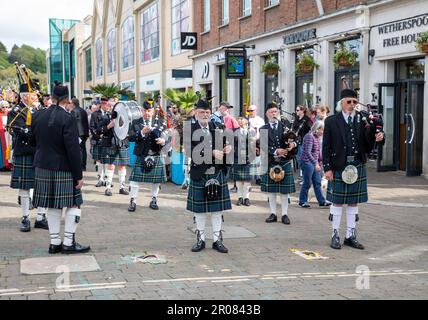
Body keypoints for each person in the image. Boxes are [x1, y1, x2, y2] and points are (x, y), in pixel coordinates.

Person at [323, 89, 385, 250]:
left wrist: (379, 136)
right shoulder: (331, 121)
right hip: (338, 165)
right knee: (337, 202)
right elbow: (326, 147)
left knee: (353, 202)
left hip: (357, 165)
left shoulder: (362, 120)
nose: (352, 105)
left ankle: (350, 235)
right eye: (348, 102)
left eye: (354, 102)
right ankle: (335, 234)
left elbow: (369, 141)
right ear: (341, 103)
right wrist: (327, 168)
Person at [186, 99, 232, 253]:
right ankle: (200, 239)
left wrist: (228, 147)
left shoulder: (217, 126)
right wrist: (211, 152)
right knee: (199, 211)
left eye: (207, 112)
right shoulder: (189, 129)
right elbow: (189, 151)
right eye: (201, 112)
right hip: (200, 173)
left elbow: (226, 142)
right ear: (195, 112)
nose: (205, 115)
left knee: (217, 210)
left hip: (217, 172)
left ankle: (217, 240)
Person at [7, 84, 49, 232]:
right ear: (25, 95)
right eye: (33, 94)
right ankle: (25, 218)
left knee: (42, 185)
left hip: (40, 152)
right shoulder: (16, 112)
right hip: (25, 152)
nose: (36, 97)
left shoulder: (39, 110)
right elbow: (18, 132)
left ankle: (40, 217)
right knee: (25, 188)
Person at [260, 103, 297, 225]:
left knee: (284, 191)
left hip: (285, 161)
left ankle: (285, 214)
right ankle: (273, 213)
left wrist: (293, 144)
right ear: (267, 114)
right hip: (271, 161)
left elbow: (297, 139)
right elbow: (263, 146)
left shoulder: (285, 126)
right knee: (271, 191)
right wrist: (276, 151)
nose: (273, 114)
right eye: (271, 112)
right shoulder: (263, 129)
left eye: (275, 111)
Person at [128, 100, 168, 212]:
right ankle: (133, 200)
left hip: (156, 153)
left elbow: (167, 136)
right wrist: (141, 133)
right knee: (135, 179)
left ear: (153, 111)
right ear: (141, 110)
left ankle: (154, 199)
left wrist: (163, 140)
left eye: (149, 110)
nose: (147, 113)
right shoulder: (136, 122)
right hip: (141, 154)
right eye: (145, 110)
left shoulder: (160, 122)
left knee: (156, 180)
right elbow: (130, 137)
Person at [99, 97, 130, 196]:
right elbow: (99, 130)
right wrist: (108, 126)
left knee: (122, 166)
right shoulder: (105, 117)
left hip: (122, 143)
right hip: (110, 144)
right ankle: (108, 188)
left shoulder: (124, 116)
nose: (112, 107)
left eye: (114, 105)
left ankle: (122, 187)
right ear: (108, 107)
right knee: (111, 166)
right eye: (110, 105)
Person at [298, 121, 331, 208]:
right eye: (322, 130)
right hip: (306, 162)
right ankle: (302, 201)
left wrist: (320, 161)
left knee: (317, 182)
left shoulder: (317, 137)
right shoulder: (309, 136)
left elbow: (317, 152)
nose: (322, 132)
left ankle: (322, 201)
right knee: (307, 183)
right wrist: (315, 163)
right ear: (317, 129)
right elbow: (308, 153)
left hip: (314, 162)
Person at [230, 117, 257, 206]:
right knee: (238, 179)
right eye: (239, 120)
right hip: (237, 157)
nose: (240, 121)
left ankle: (246, 198)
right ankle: (240, 197)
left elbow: (255, 144)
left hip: (248, 157)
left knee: (247, 180)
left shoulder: (252, 131)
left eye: (242, 119)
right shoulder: (234, 131)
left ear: (246, 121)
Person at [89, 98, 107, 187]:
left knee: (107, 161)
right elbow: (92, 127)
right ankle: (100, 179)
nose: (106, 106)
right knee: (99, 160)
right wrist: (98, 136)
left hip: (108, 141)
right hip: (98, 140)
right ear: (101, 105)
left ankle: (107, 179)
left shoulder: (111, 114)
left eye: (107, 104)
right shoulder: (94, 114)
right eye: (104, 104)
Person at [70, 98, 90, 171]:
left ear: (73, 104)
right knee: (83, 149)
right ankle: (83, 165)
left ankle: (81, 166)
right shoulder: (83, 110)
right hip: (84, 133)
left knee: (80, 150)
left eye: (70, 103)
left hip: (78, 133)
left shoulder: (73, 111)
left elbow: (72, 123)